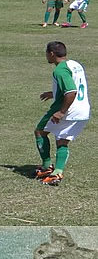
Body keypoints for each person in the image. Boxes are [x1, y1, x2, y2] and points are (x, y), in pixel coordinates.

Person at [34, 41, 90, 186]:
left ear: (51, 53)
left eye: (47, 53)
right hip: (83, 110)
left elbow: (71, 91)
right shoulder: (75, 64)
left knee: (40, 132)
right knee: (62, 140)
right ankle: (57, 172)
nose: (46, 55)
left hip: (69, 109)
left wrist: (61, 112)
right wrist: (54, 92)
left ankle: (47, 167)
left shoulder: (59, 70)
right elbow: (74, 85)